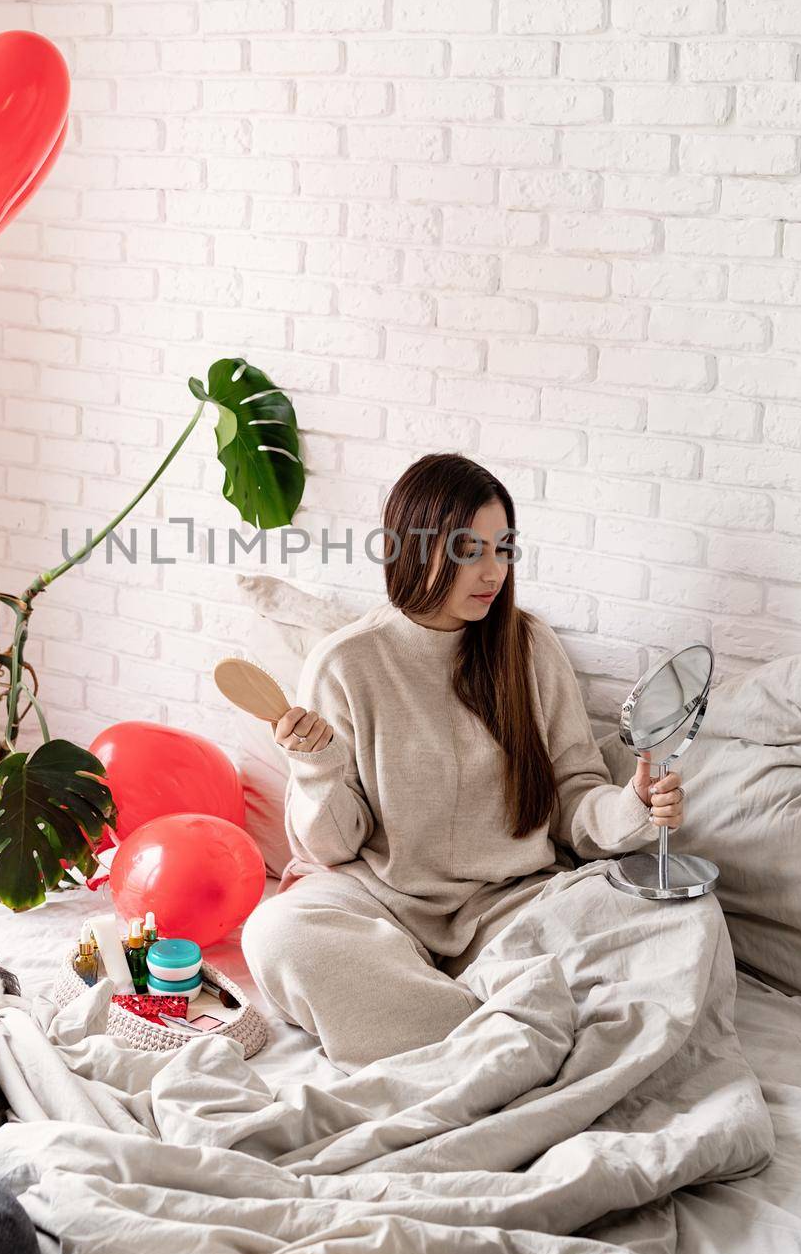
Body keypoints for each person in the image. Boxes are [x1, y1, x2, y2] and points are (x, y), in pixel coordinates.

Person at [240, 453, 686, 1072]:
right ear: (413, 548)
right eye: (469, 550)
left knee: (685, 912)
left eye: (504, 549)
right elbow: (333, 847)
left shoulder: (527, 648)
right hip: (385, 903)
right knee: (277, 934)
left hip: (514, 906)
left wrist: (632, 805)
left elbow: (573, 795)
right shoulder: (345, 663)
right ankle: (499, 1042)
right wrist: (315, 767)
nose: (493, 571)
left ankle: (473, 1034)